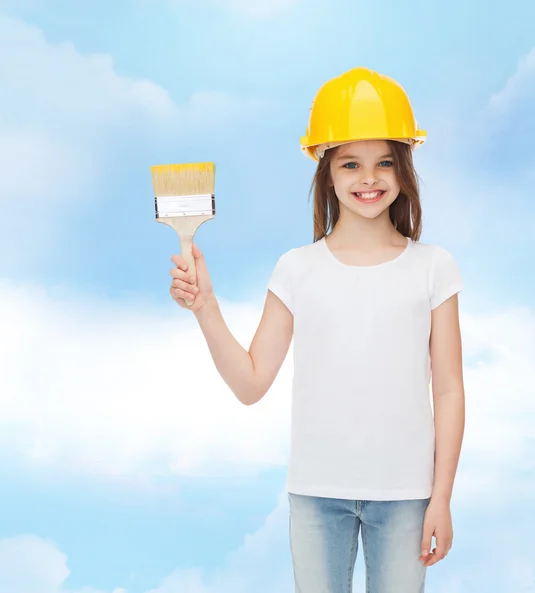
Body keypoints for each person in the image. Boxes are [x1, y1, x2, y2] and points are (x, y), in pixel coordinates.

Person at [169, 67, 465, 593]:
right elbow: (251, 383)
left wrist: (440, 496)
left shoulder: (433, 268)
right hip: (315, 492)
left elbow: (448, 390)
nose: (368, 179)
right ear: (326, 171)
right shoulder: (297, 269)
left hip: (407, 494)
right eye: (351, 163)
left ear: (404, 170)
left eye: (384, 164)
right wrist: (206, 306)